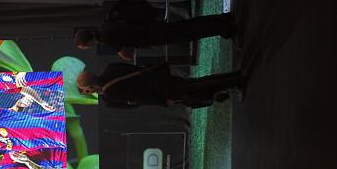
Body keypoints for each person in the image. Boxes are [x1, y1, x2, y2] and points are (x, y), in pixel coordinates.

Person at [75, 12, 237, 61]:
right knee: (187, 25)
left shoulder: (106, 39)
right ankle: (222, 19)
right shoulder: (104, 25)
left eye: (84, 46)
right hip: (150, 26)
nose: (86, 48)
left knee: (189, 33)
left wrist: (129, 56)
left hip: (151, 36)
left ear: (88, 42)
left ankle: (222, 29)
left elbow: (126, 55)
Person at [76, 62, 245, 108]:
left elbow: (140, 97)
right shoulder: (111, 67)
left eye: (85, 90)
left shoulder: (110, 93)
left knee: (197, 86)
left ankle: (234, 81)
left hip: (159, 91)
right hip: (158, 77)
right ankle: (232, 79)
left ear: (90, 87)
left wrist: (162, 102)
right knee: (196, 84)